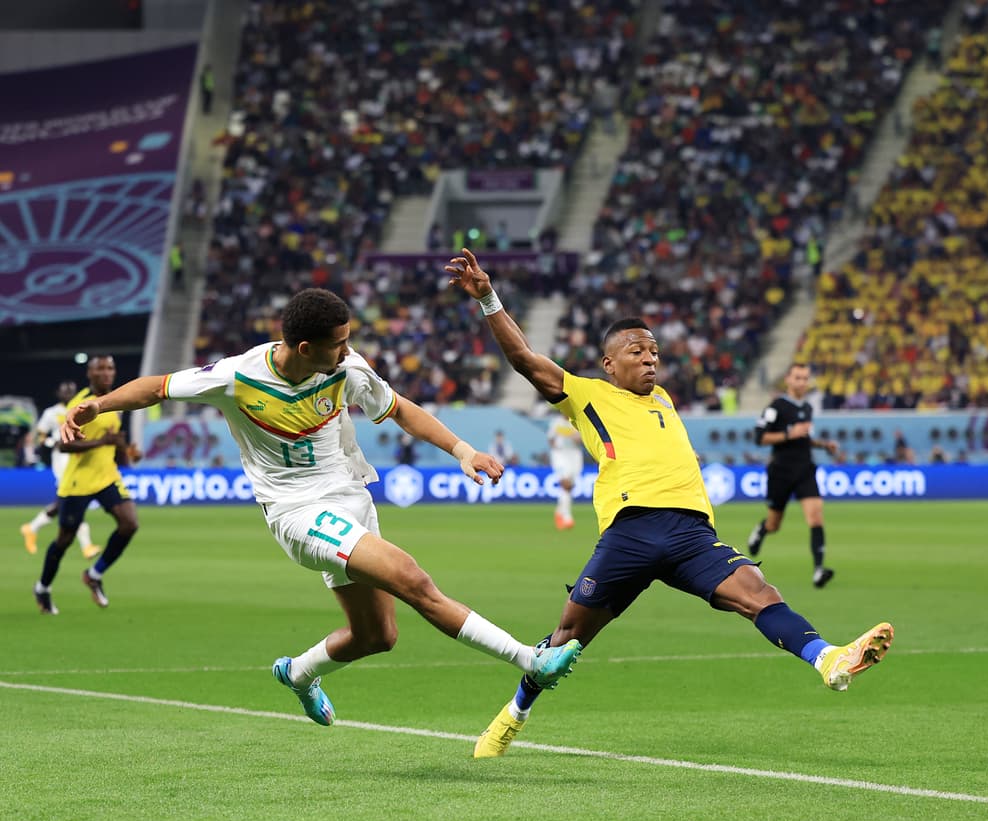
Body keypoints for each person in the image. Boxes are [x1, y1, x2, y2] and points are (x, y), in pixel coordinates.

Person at [445, 249, 893, 758]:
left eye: (654, 351)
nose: (651, 359)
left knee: (759, 593)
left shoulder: (665, 402)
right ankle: (513, 716)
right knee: (568, 639)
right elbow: (524, 359)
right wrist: (488, 298)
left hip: (690, 535)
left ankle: (828, 658)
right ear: (609, 363)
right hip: (630, 532)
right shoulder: (586, 395)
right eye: (638, 351)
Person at [62, 288, 582, 725]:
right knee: (411, 578)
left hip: (350, 498)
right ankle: (530, 659)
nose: (348, 351)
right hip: (296, 513)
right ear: (305, 347)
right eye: (339, 344)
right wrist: (99, 406)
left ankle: (298, 672)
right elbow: (157, 388)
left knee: (378, 635)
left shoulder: (346, 367)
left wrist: (463, 451)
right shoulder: (239, 376)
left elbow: (398, 409)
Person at [35, 357, 142, 615]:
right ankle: (43, 588)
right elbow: (65, 444)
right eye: (100, 369)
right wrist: (103, 441)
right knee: (65, 540)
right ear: (90, 374)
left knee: (129, 523)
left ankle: (94, 574)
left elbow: (113, 438)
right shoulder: (79, 405)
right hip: (78, 481)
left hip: (107, 476)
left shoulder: (116, 400)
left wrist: (127, 452)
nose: (106, 373)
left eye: (110, 368)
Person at [745, 363, 844, 589]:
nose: (802, 382)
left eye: (805, 378)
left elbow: (804, 438)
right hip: (781, 471)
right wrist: (789, 433)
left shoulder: (807, 408)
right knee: (774, 524)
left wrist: (823, 444)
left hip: (805, 470)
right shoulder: (776, 407)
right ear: (788, 380)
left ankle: (819, 570)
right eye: (798, 378)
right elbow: (760, 438)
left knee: (816, 517)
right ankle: (762, 530)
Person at [21, 381, 102, 560]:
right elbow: (41, 435)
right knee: (72, 498)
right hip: (63, 458)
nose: (69, 395)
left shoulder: (82, 408)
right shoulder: (51, 413)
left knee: (66, 502)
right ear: (58, 393)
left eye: (72, 391)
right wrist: (52, 443)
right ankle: (86, 545)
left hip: (79, 455)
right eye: (65, 392)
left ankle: (32, 527)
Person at [547, 413, 583, 530]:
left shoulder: (577, 421)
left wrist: (577, 439)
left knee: (570, 486)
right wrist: (556, 451)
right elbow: (550, 439)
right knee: (565, 484)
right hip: (560, 455)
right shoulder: (556, 422)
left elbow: (582, 440)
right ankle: (567, 516)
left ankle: (559, 512)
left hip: (575, 455)